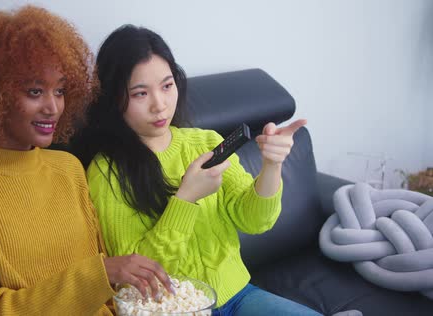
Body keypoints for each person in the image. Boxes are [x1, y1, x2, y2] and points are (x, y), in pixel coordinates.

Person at [0, 8, 173, 316]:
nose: (53, 107)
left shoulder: (68, 168)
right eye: (35, 91)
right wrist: (99, 275)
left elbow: (107, 295)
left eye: (60, 90)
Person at [72, 24, 319, 315]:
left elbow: (255, 221)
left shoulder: (206, 142)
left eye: (167, 86)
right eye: (140, 94)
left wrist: (272, 166)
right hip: (173, 307)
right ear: (115, 99)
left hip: (238, 295)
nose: (160, 105)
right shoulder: (106, 172)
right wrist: (185, 199)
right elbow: (136, 276)